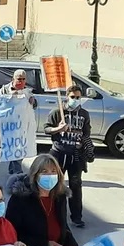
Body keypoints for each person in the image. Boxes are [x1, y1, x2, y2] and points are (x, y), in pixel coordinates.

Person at [5, 154, 79, 246]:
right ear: (35, 175)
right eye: (44, 172)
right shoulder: (20, 199)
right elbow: (11, 233)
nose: (50, 175)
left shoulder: (60, 196)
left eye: (53, 171)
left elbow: (63, 226)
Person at [44, 84, 90, 228]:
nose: (75, 100)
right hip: (59, 152)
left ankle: (76, 216)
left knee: (76, 185)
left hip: (76, 154)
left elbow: (87, 133)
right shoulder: (57, 112)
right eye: (72, 97)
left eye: (78, 97)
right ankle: (53, 214)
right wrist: (58, 128)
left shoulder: (84, 114)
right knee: (54, 184)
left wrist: (84, 144)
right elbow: (46, 128)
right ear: (67, 97)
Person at [0, 69, 38, 175]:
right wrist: (11, 97)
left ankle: (15, 171)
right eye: (19, 79)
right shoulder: (4, 90)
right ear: (13, 79)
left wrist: (33, 101)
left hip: (21, 127)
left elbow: (34, 106)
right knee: (12, 148)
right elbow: (0, 104)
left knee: (18, 149)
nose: (21, 81)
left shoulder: (27, 92)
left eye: (24, 79)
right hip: (9, 126)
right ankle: (16, 172)